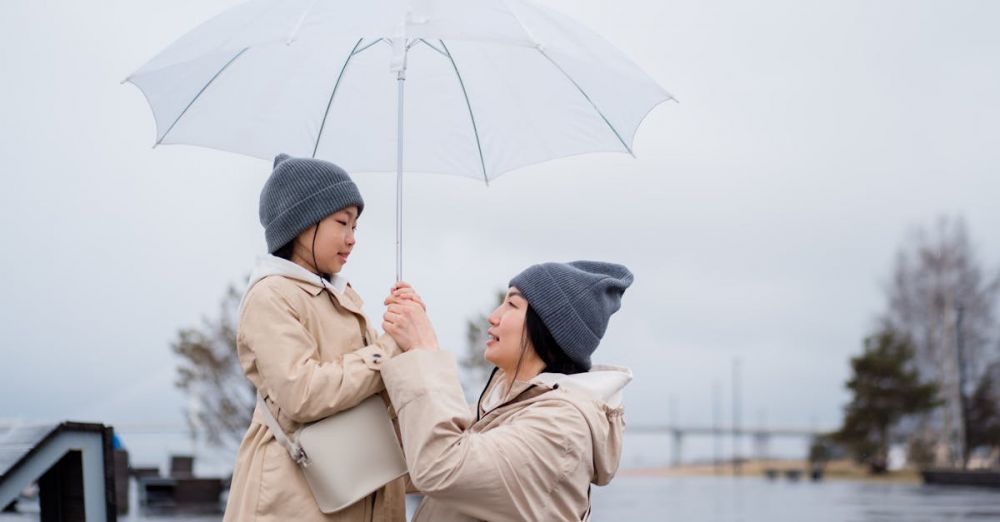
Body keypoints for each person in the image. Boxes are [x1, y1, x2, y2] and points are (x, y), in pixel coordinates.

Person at [224, 154, 406, 522]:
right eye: (343, 222)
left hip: (350, 490)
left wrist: (404, 333)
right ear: (303, 223)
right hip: (293, 500)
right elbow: (301, 392)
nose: (352, 239)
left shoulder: (341, 298)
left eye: (355, 226)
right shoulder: (271, 296)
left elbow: (384, 384)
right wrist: (388, 350)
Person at [380, 261, 634, 521]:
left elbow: (442, 468)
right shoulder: (497, 410)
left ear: (547, 328)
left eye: (512, 304)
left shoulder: (562, 429)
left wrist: (424, 351)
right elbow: (405, 466)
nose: (493, 316)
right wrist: (400, 359)